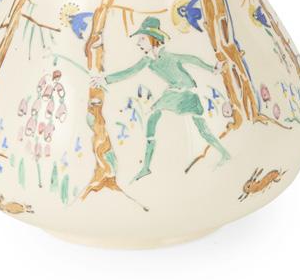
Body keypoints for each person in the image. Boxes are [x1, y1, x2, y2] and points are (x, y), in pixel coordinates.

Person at [91, 17, 230, 181]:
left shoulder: (168, 56)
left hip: (185, 93)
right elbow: (130, 71)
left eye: (142, 39)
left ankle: (224, 153)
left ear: (153, 39)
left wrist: (212, 69)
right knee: (154, 117)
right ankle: (146, 167)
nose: (139, 43)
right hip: (173, 94)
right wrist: (105, 80)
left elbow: (191, 59)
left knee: (200, 127)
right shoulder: (148, 61)